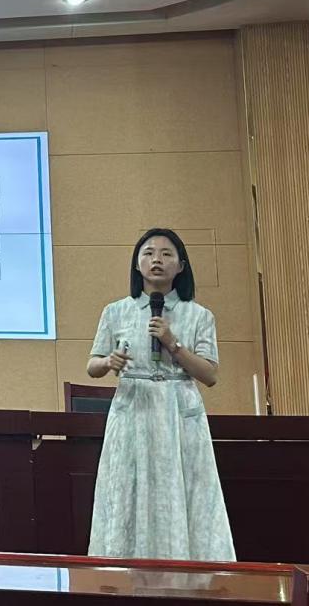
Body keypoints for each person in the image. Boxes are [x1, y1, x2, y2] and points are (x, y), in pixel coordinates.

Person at [85, 227, 235, 561]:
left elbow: (210, 375)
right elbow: (92, 366)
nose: (157, 260)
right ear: (137, 264)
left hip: (179, 412)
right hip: (133, 409)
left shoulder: (199, 315)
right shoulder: (115, 311)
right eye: (149, 253)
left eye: (167, 254)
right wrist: (108, 362)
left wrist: (173, 343)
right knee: (126, 486)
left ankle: (189, 570)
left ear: (180, 266)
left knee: (186, 489)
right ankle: (122, 566)